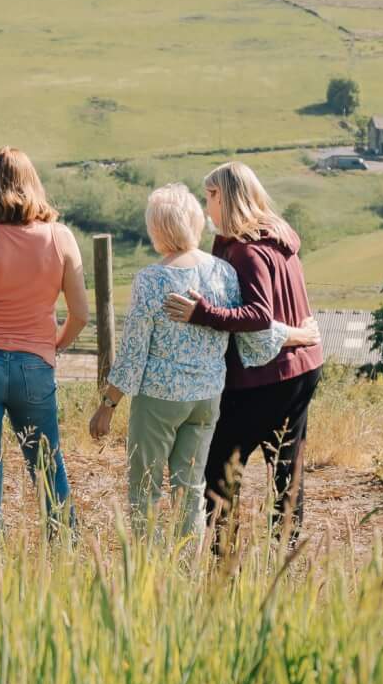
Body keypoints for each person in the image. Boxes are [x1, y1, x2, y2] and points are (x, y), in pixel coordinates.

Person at [89, 182, 286, 535]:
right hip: (207, 398)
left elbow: (134, 353)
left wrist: (108, 404)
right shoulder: (222, 272)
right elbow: (249, 329)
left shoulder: (151, 280)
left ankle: (149, 573)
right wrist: (294, 335)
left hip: (159, 399)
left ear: (156, 228)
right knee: (190, 491)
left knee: (144, 491)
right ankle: (186, 576)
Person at [162, 162, 323, 549]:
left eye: (209, 196)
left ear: (225, 197)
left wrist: (202, 313)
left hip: (263, 376)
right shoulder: (279, 239)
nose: (206, 207)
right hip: (302, 365)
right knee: (286, 467)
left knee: (220, 466)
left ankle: (224, 556)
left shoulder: (248, 251)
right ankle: (281, 554)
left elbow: (257, 315)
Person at [0, 148, 87, 530]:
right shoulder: (62, 239)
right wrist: (51, 346)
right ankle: (64, 552)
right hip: (34, 366)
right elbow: (81, 314)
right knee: (47, 467)